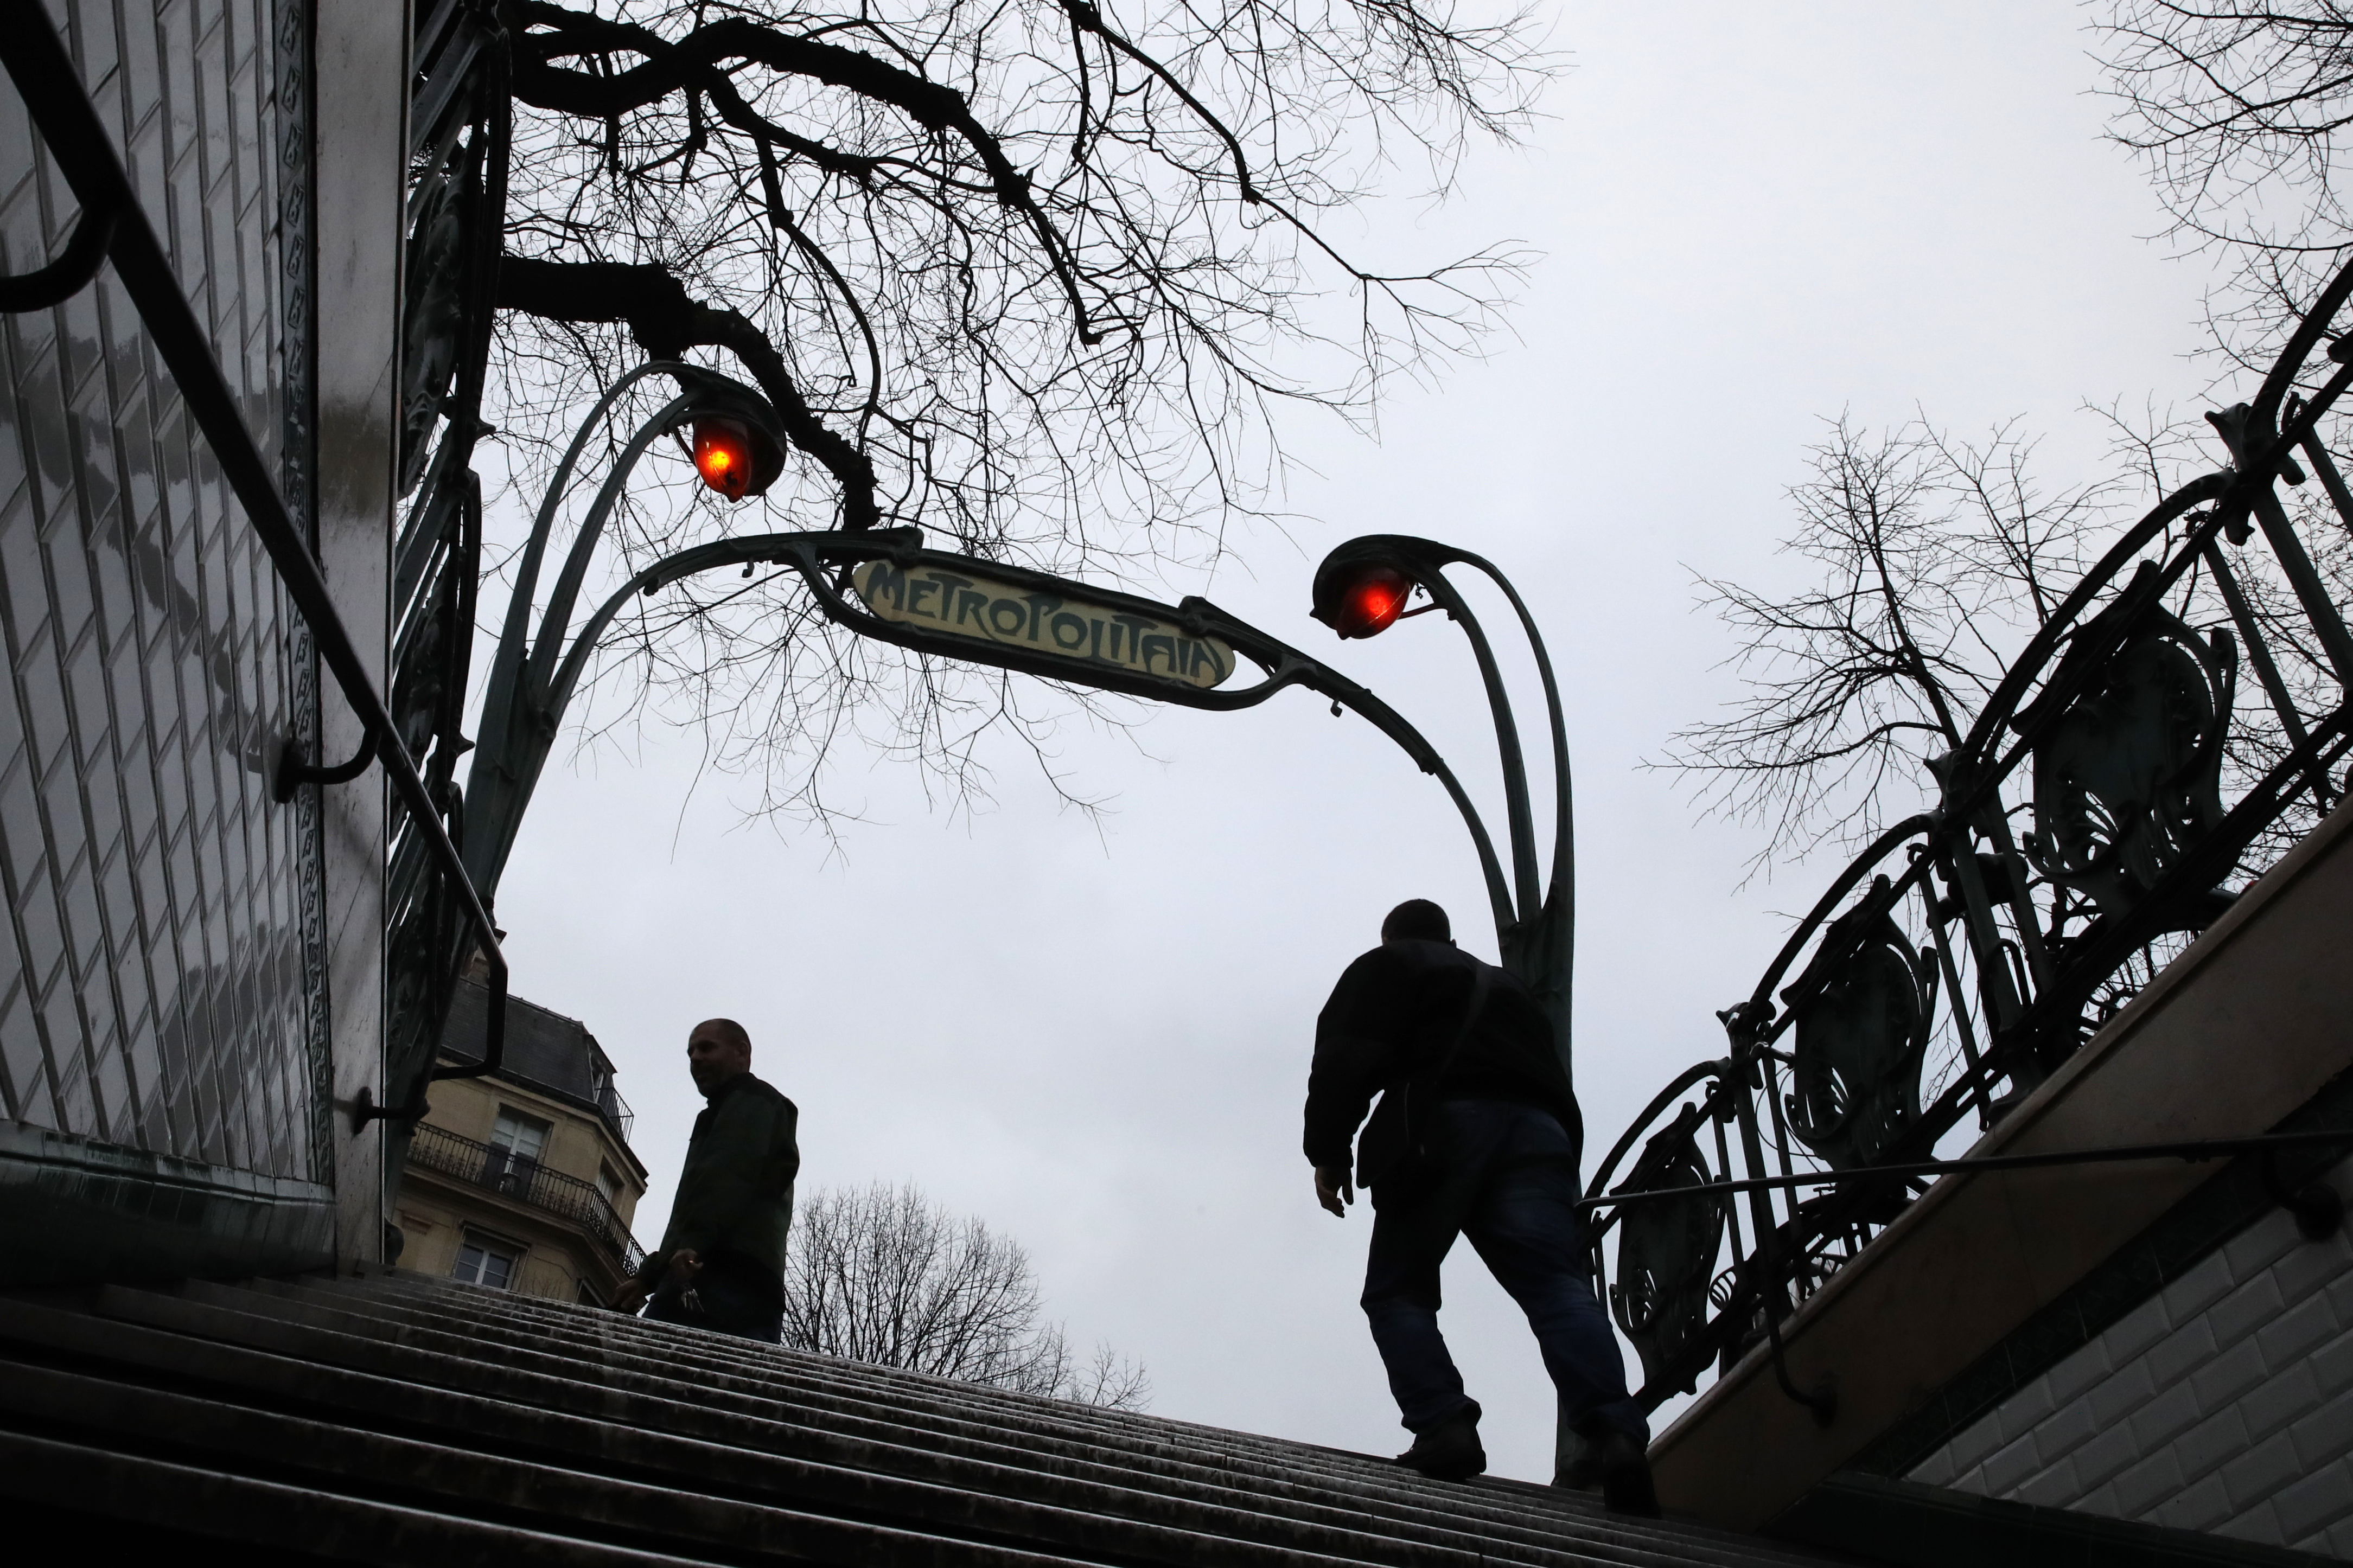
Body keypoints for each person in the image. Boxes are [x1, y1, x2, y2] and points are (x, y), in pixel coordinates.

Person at [1303, 898, 1657, 1514]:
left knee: (1398, 1290)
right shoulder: (1510, 988)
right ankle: (1617, 1435)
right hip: (1538, 1135)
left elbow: (1344, 1055)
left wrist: (1328, 1150)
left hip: (1440, 1127)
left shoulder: (1390, 964)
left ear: (1391, 935)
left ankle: (1444, 1423)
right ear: (1449, 934)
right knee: (1555, 1285)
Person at [614, 1017, 800, 1342]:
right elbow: (707, 1198)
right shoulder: (726, 1111)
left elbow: (726, 1182)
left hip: (721, 1279)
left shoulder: (752, 1101)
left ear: (742, 1053)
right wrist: (650, 1277)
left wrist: (686, 1252)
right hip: (728, 1277)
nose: (695, 1058)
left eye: (706, 1047)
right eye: (690, 1053)